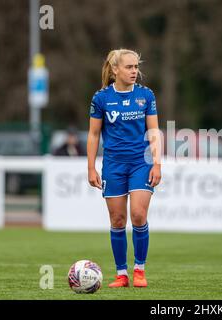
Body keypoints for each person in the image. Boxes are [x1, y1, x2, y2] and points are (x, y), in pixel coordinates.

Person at [87, 49, 162, 288]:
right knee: (118, 220)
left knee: (138, 215)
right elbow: (93, 134)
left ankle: (139, 270)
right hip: (113, 165)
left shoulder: (145, 95)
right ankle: (122, 274)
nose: (134, 71)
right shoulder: (101, 98)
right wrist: (91, 167)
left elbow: (153, 132)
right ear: (115, 70)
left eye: (136, 67)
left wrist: (157, 163)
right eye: (129, 67)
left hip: (141, 163)